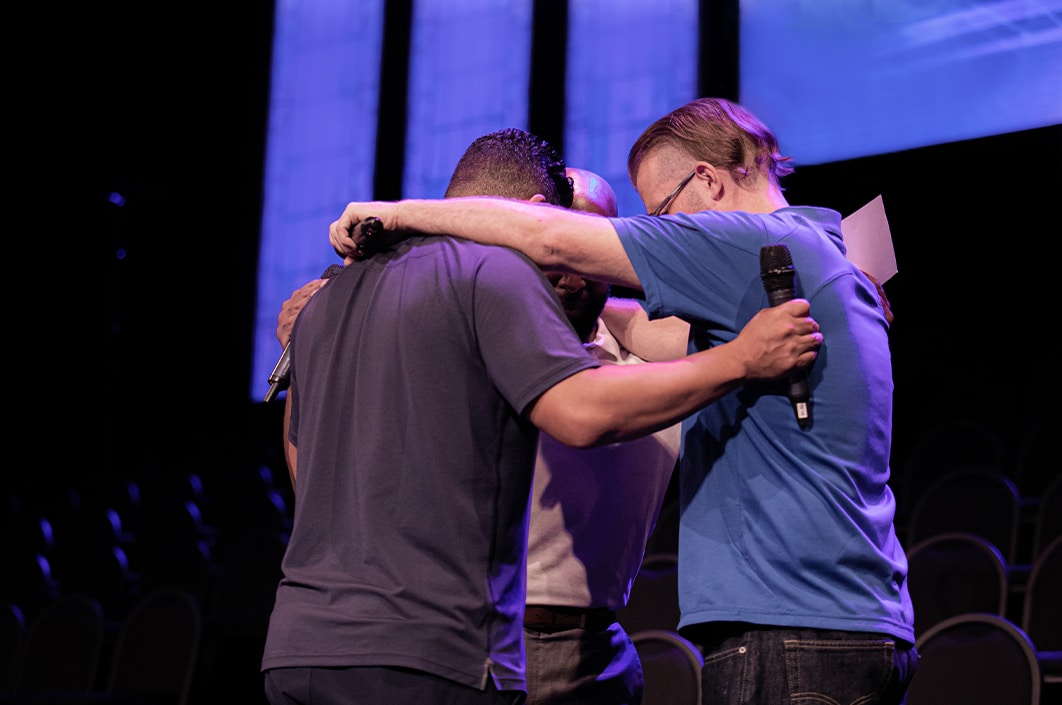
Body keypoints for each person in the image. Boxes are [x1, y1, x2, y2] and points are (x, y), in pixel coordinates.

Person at [328, 98, 917, 704]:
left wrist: (397, 215)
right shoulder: (818, 260)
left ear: (708, 181)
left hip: (790, 626)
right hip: (852, 621)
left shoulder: (750, 242)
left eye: (661, 215)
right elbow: (654, 333)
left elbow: (552, 237)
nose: (665, 233)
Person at [273, 164, 685, 705]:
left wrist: (605, 299)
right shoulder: (459, 320)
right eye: (548, 232)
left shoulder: (639, 345)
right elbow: (317, 476)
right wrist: (313, 352)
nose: (563, 253)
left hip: (588, 645)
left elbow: (707, 340)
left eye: (584, 238)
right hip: (472, 633)